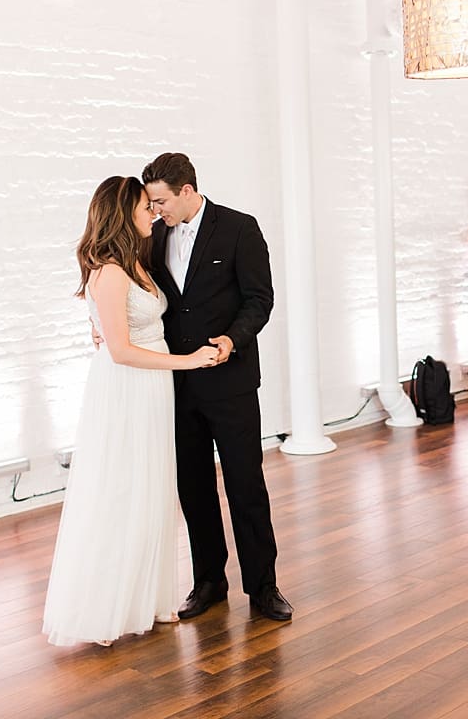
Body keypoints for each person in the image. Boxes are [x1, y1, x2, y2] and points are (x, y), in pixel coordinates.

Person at [43, 176, 220, 648]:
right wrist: (189, 360)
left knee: (153, 489)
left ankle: (151, 598)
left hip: (154, 388)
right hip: (128, 388)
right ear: (125, 214)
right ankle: (108, 605)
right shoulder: (111, 271)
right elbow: (120, 351)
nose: (153, 213)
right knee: (123, 490)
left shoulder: (136, 263)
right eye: (145, 207)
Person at [142, 152, 292, 622]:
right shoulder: (155, 235)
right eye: (151, 203)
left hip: (231, 382)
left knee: (246, 484)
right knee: (193, 487)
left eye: (161, 201)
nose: (155, 210)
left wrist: (232, 338)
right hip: (178, 385)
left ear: (187, 191)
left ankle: (264, 587)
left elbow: (259, 299)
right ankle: (208, 581)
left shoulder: (240, 227)